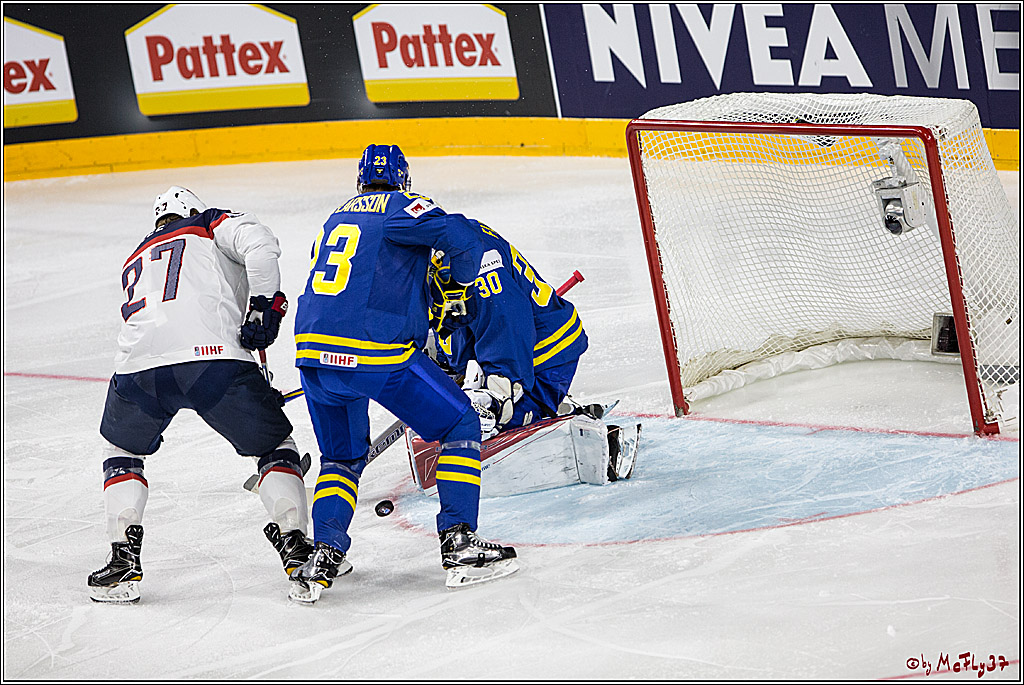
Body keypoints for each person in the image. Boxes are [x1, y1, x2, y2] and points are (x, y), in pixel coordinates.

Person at [289, 144, 517, 603]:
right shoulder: (402, 207)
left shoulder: (335, 218)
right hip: (375, 352)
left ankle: (324, 556)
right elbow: (461, 234)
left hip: (312, 355)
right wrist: (459, 285)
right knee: (460, 424)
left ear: (360, 181)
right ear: (403, 180)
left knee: (341, 459)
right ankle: (459, 543)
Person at [88, 186, 313, 604]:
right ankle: (298, 551)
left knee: (121, 449)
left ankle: (122, 560)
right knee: (274, 446)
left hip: (139, 370)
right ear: (191, 209)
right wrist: (264, 306)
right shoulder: (208, 222)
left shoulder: (136, 254)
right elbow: (261, 246)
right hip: (214, 363)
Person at [426, 225, 589, 440]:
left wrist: (500, 389)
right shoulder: (430, 243)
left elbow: (505, 317)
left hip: (541, 356)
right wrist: (446, 355)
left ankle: (534, 411)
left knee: (479, 426)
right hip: (510, 348)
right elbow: (462, 313)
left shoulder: (469, 255)